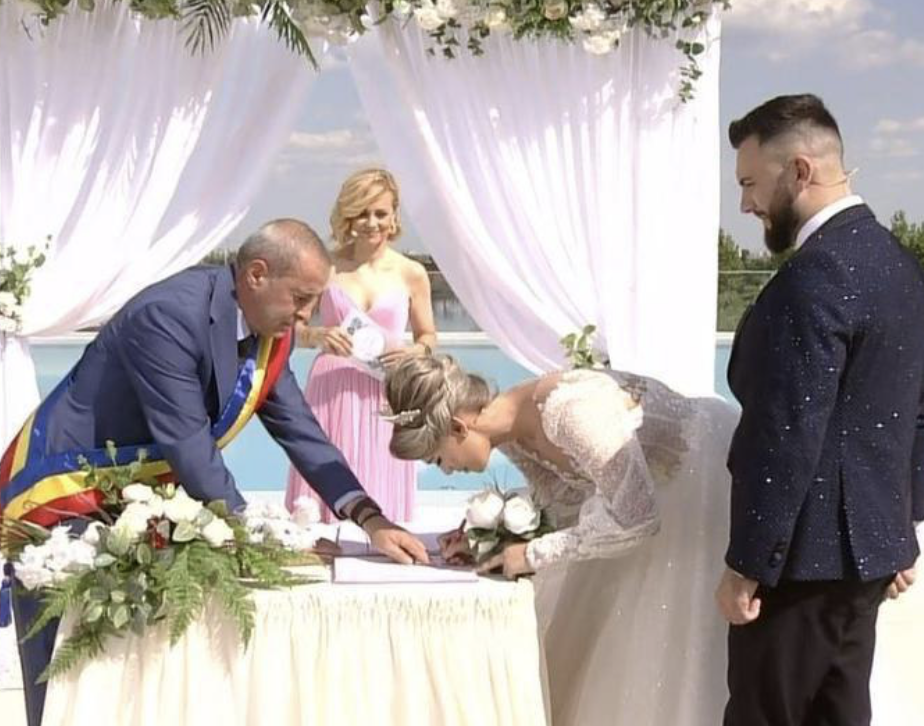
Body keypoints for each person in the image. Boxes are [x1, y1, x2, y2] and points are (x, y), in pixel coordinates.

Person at [0, 219, 429, 726]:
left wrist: (370, 518)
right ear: (257, 275)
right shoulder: (168, 316)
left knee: (133, 671)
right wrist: (265, 540)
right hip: (66, 488)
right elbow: (189, 444)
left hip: (137, 495)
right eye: (301, 298)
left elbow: (300, 430)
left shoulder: (270, 330)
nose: (307, 315)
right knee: (67, 668)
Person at [383, 353, 739, 725]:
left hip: (702, 484)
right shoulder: (512, 435)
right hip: (643, 504)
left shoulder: (571, 412)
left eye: (437, 460)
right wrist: (483, 541)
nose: (447, 471)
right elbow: (568, 510)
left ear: (458, 428)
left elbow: (636, 516)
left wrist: (532, 554)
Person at [716, 93, 924, 726]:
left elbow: (784, 435)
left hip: (798, 567)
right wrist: (898, 532)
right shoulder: (899, 265)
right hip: (863, 566)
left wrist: (747, 563)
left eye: (749, 183)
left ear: (800, 171)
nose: (745, 204)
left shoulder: (814, 277)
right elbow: (914, 408)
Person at [286, 169, 437, 522]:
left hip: (387, 389)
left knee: (382, 488)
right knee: (323, 488)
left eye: (380, 213)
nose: (372, 223)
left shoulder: (412, 273)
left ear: (394, 215)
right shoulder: (325, 268)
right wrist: (318, 336)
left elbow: (428, 336)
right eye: (362, 213)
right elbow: (291, 326)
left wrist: (413, 352)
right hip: (331, 387)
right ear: (348, 216)